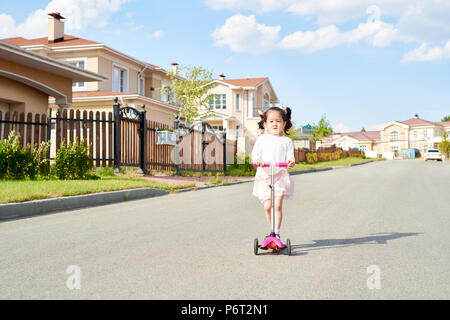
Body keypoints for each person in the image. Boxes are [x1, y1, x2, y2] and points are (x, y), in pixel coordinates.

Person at [251, 106, 295, 240]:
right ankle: (272, 231)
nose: (275, 124)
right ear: (265, 124)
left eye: (278, 121)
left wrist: (290, 161)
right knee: (268, 207)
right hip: (264, 176)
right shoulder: (262, 139)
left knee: (278, 205)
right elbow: (255, 153)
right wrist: (257, 160)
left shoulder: (287, 141)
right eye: (271, 121)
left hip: (280, 175)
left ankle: (276, 232)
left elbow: (290, 156)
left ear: (284, 123)